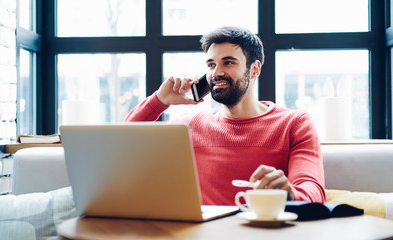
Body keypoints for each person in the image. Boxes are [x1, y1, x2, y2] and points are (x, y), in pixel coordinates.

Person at [125, 26, 325, 205]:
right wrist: (159, 100)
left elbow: (313, 191)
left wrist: (289, 193)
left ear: (254, 69)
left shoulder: (294, 123)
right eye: (211, 65)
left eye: (228, 63)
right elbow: (124, 144)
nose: (216, 73)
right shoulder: (188, 127)